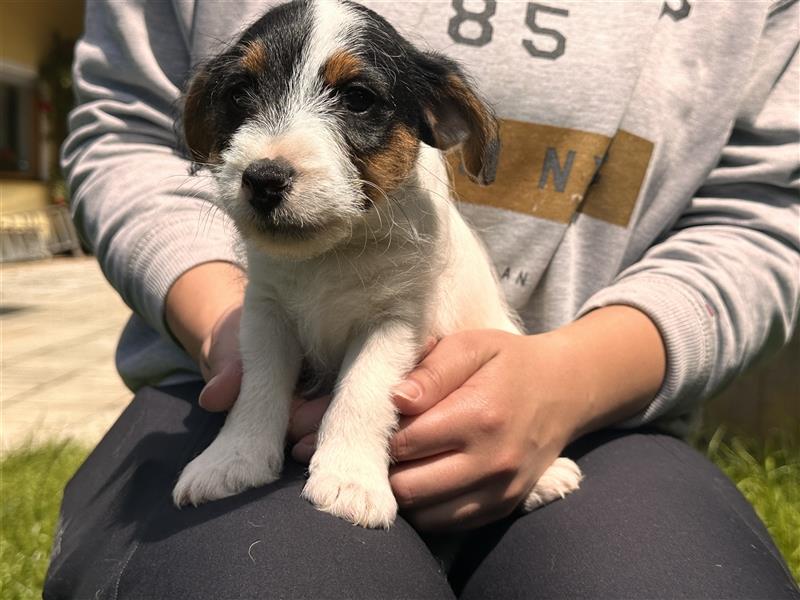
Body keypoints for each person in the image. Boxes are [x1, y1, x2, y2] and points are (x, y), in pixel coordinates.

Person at [45, 0, 799, 598]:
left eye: (359, 100)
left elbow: (762, 213)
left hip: (583, 418)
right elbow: (129, 142)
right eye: (245, 96)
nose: (271, 154)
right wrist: (228, 349)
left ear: (443, 123)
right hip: (211, 398)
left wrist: (568, 385)